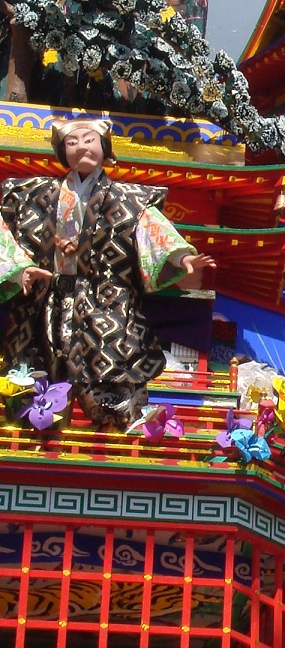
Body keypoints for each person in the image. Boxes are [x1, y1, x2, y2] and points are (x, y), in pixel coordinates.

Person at [0, 117, 214, 428]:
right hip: (48, 298)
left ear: (104, 148)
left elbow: (154, 231)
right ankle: (39, 421)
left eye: (88, 140)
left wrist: (180, 258)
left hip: (104, 296)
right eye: (71, 143)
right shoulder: (34, 194)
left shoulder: (127, 198)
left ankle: (120, 413)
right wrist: (20, 269)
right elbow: (7, 230)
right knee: (39, 364)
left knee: (110, 358)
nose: (80, 147)